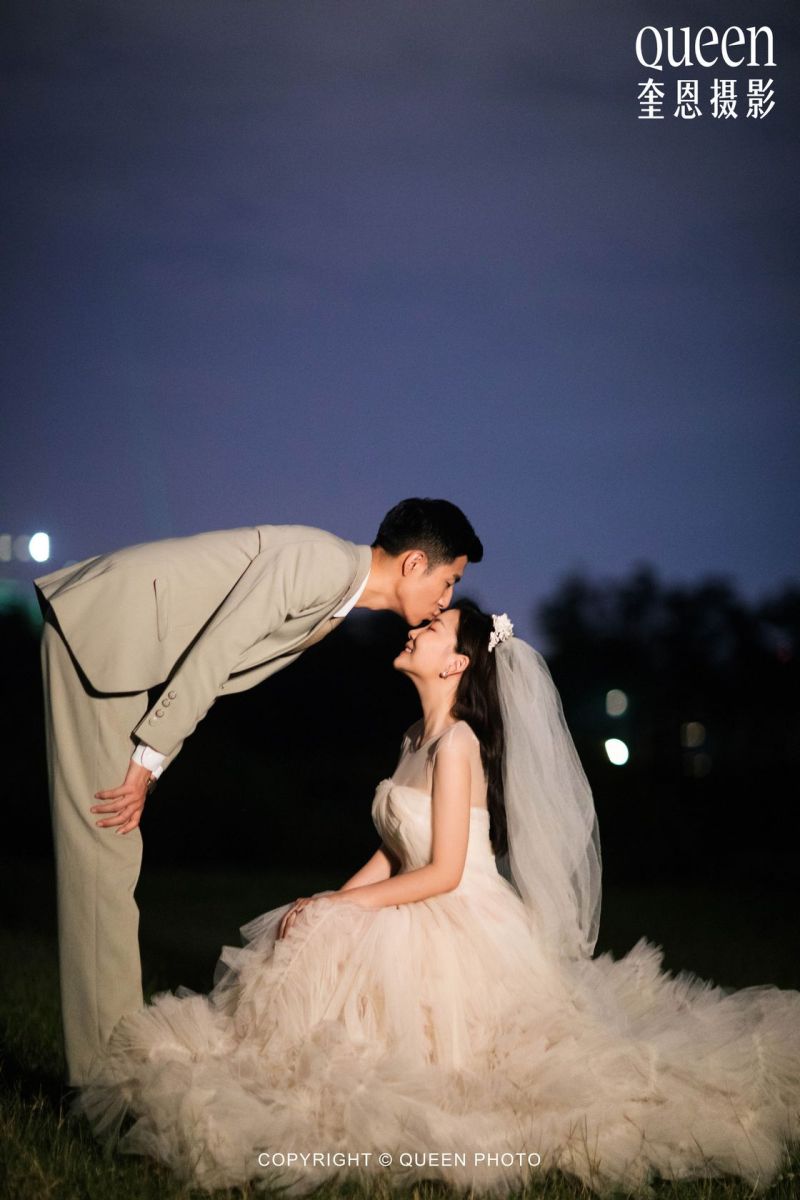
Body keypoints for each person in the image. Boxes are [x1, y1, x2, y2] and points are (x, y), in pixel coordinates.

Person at [72, 601, 800, 1197]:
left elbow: (445, 871)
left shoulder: (458, 745)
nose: (416, 629)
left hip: (459, 912)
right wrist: (327, 900)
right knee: (309, 946)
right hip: (411, 890)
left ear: (455, 663)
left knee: (451, 1063)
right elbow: (396, 847)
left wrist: (347, 911)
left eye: (433, 628)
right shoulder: (415, 736)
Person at [33, 498, 483, 1087]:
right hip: (107, 638)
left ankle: (110, 1070)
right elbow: (218, 650)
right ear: (415, 563)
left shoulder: (334, 596)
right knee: (103, 854)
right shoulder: (322, 564)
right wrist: (148, 758)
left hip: (125, 652)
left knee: (109, 856)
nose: (445, 599)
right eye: (448, 581)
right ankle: (105, 1083)